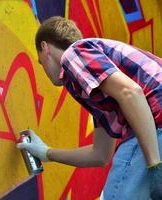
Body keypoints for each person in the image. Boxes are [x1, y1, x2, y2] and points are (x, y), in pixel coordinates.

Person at [16, 16, 162, 199]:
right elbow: (100, 155)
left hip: (156, 122)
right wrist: (46, 153)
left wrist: (155, 165)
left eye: (40, 62)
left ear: (45, 48)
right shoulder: (97, 88)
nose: (43, 69)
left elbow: (131, 93)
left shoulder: (73, 54)